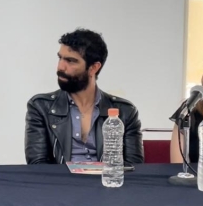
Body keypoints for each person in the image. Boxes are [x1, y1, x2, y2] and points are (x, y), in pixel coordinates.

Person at [24, 28, 144, 164]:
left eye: (71, 61)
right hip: (59, 183)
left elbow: (134, 167)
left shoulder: (125, 111)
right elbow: (38, 166)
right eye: (60, 58)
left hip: (107, 182)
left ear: (93, 68)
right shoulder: (41, 107)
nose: (60, 67)